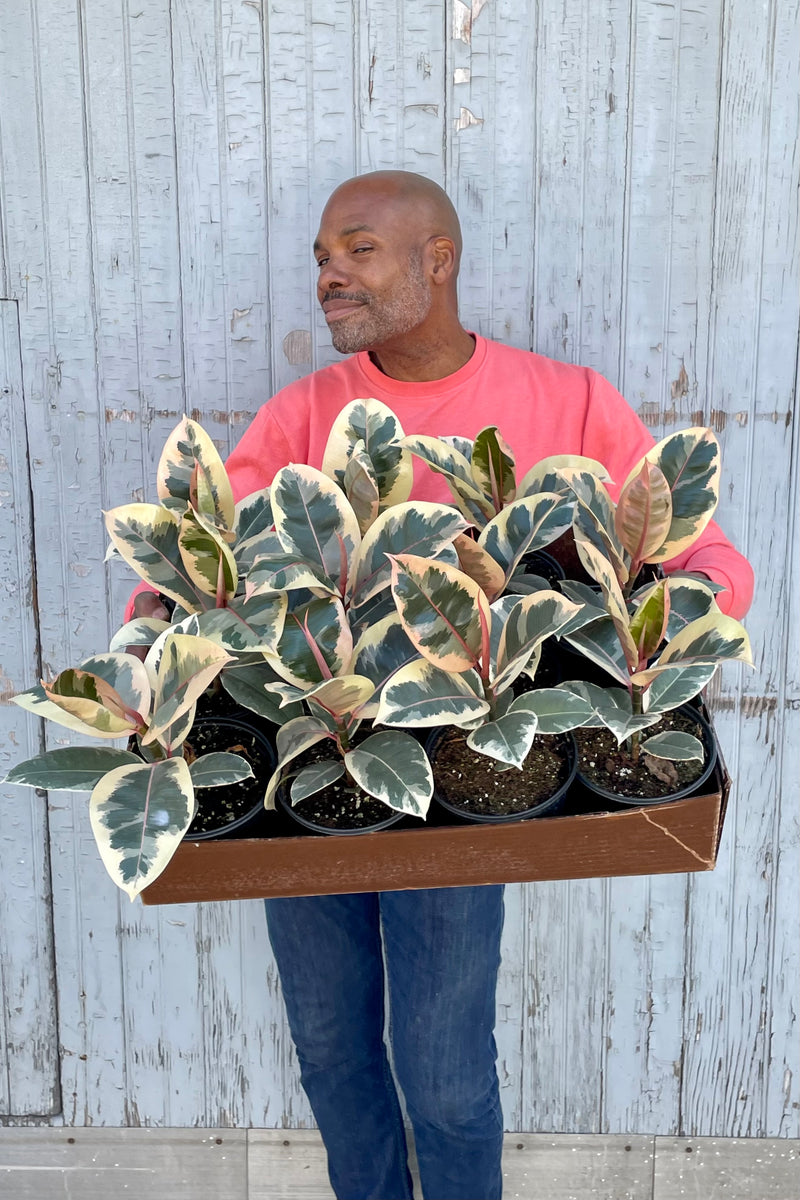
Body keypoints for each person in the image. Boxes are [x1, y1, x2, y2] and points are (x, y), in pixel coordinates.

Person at [132, 171, 753, 1200]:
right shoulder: (303, 415)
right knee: (331, 1054)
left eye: (357, 248)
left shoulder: (567, 402)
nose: (328, 272)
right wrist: (155, 650)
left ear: (437, 259)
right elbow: (191, 575)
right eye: (321, 256)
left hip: (469, 779)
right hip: (307, 778)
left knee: (447, 1078)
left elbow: (706, 565)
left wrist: (642, 610)